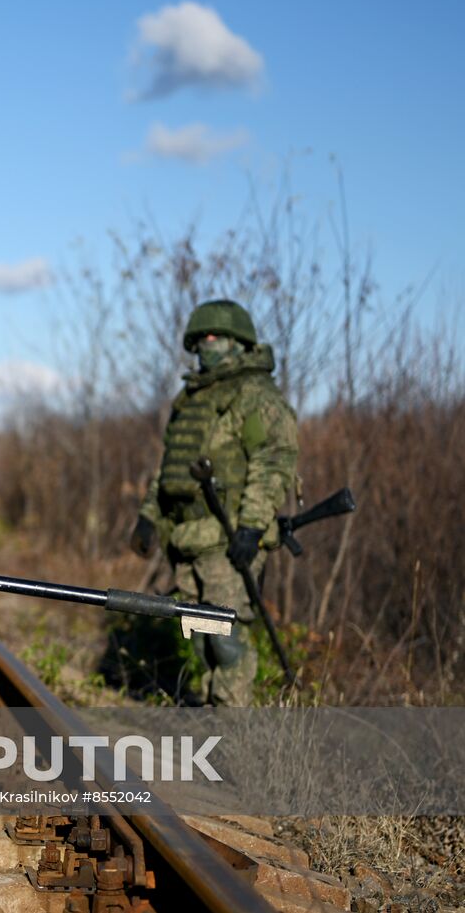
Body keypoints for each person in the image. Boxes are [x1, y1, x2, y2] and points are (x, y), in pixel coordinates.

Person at [130, 299, 298, 707]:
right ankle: (213, 714)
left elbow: (273, 458)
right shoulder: (191, 401)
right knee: (202, 639)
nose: (206, 344)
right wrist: (149, 517)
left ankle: (236, 731)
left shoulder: (253, 395)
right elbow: (171, 466)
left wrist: (252, 528)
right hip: (190, 538)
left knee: (225, 638)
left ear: (238, 343)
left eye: (215, 337)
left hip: (229, 539)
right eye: (201, 338)